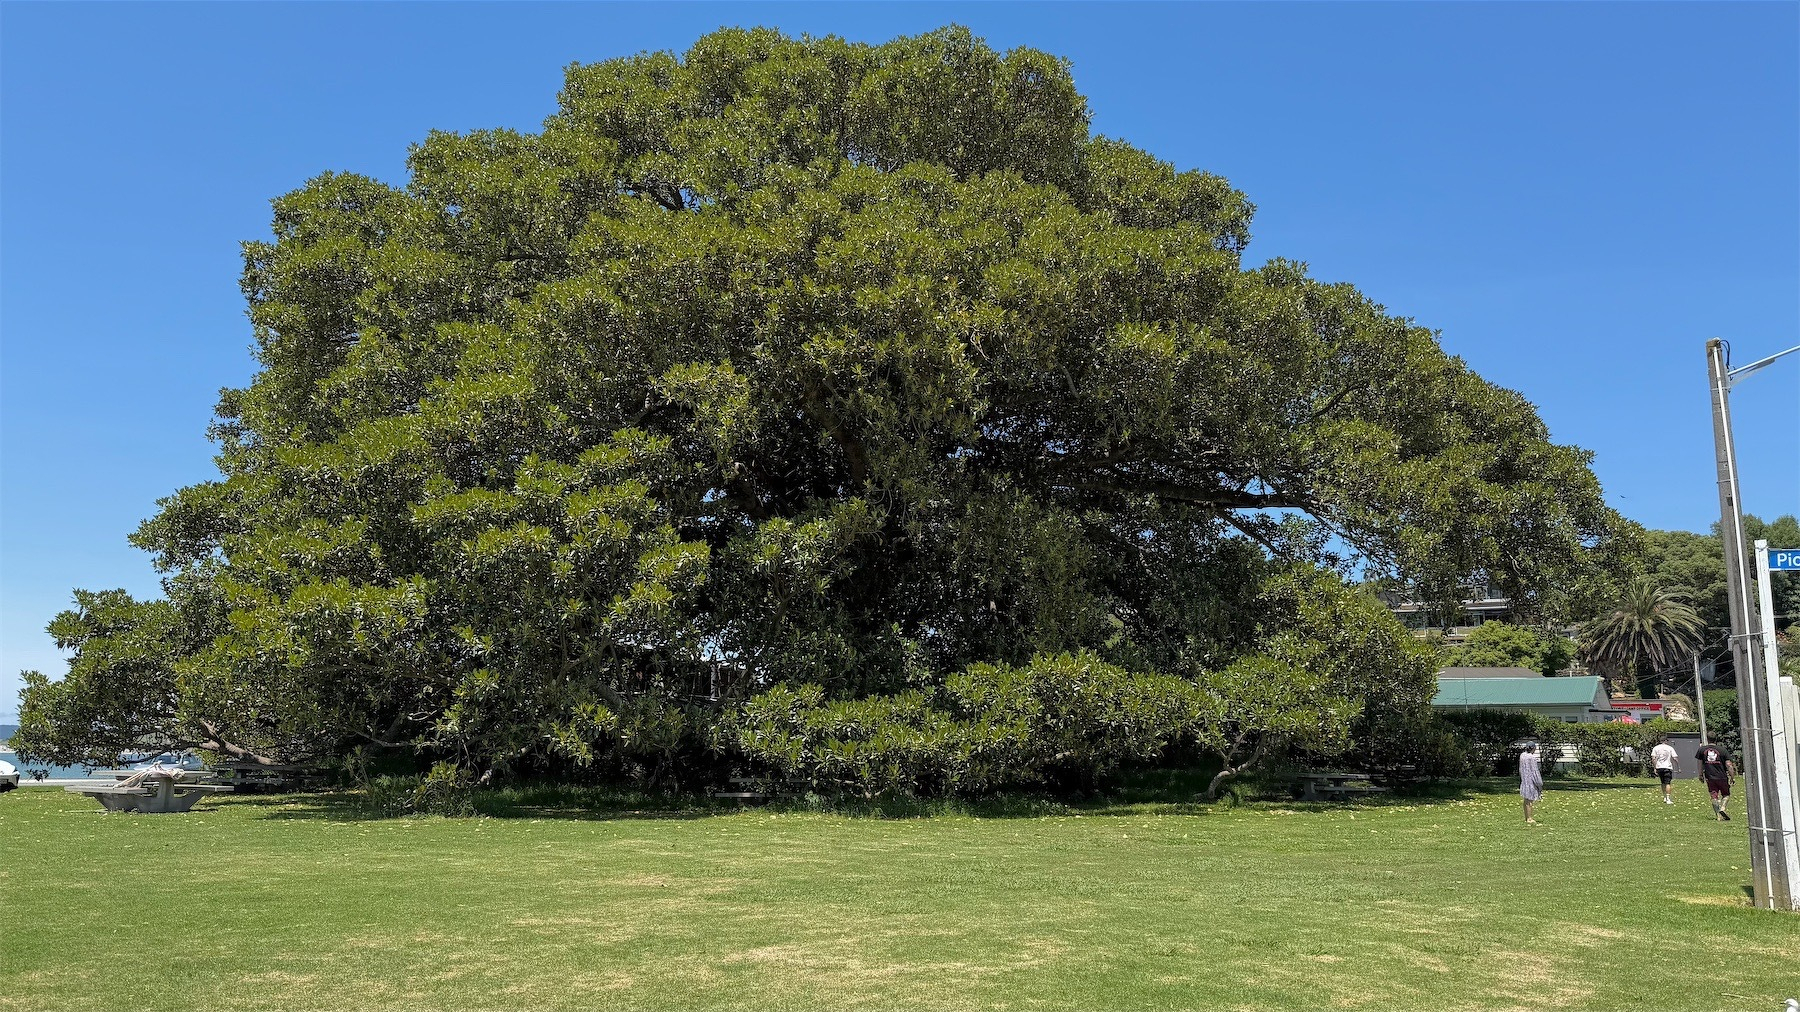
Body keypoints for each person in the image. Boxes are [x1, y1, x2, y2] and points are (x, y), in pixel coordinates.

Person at [1694, 741, 1737, 821]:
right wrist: (1732, 776)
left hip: (1709, 777)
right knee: (1726, 794)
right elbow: (1728, 764)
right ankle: (1723, 808)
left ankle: (1718, 816)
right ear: (1716, 740)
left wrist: (1700, 774)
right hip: (1722, 777)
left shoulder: (1702, 750)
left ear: (1708, 739)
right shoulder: (1722, 750)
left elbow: (1699, 763)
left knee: (1714, 796)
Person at [1519, 742, 1543, 825]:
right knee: (1530, 801)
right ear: (1533, 748)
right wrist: (1539, 783)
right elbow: (1535, 772)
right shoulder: (1532, 758)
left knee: (1526, 800)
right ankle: (1529, 818)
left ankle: (1527, 817)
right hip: (1530, 782)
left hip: (1524, 780)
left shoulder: (1522, 755)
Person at [1650, 736, 1679, 805]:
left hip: (1659, 767)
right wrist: (1678, 766)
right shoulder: (1670, 748)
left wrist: (1655, 767)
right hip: (1667, 767)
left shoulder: (1656, 748)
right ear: (1666, 741)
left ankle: (1664, 796)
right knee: (1668, 783)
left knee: (1662, 782)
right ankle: (1668, 798)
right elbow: (1675, 757)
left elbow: (1653, 759)